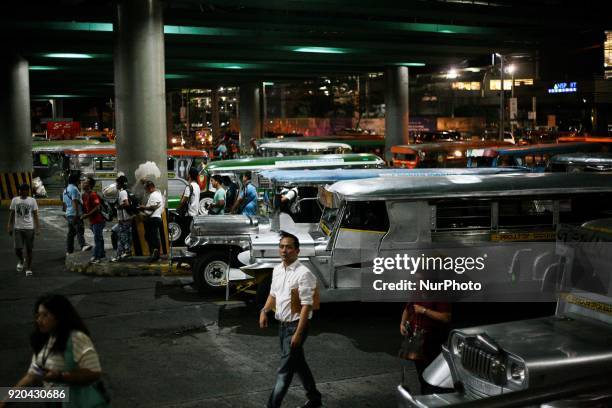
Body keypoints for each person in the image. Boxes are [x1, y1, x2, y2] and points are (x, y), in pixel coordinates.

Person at [2, 294, 107, 408]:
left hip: (77, 402)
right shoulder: (45, 339)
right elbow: (32, 375)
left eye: (45, 315)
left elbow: (95, 373)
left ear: (60, 316)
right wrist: (5, 400)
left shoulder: (76, 338)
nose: (39, 320)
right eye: (38, 315)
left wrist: (60, 376)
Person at [259, 232, 322, 408]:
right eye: (281, 247)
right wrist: (264, 310)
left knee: (284, 371)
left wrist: (298, 334)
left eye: (288, 247)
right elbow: (273, 295)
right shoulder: (277, 270)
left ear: (297, 251)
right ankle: (314, 398)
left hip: (295, 327)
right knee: (298, 364)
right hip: (282, 326)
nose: (284, 250)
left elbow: (306, 306)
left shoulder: (304, 274)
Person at [399, 302, 451, 394]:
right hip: (417, 340)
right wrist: (402, 324)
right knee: (421, 373)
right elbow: (407, 309)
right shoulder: (417, 292)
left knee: (434, 375)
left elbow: (445, 317)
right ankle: (424, 395)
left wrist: (424, 311)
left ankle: (433, 398)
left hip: (433, 341)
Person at [7, 184, 40, 276]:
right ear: (19, 191)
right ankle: (21, 260)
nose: (23, 192)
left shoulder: (32, 200)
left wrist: (38, 228)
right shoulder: (15, 200)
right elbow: (12, 214)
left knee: (29, 250)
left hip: (29, 228)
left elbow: (35, 215)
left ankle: (28, 268)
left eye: (25, 190)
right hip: (18, 228)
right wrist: (9, 226)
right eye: (21, 190)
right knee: (17, 249)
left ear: (28, 191)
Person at [63, 173, 91, 256]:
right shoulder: (74, 189)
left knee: (71, 233)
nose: (80, 181)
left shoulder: (66, 190)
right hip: (75, 214)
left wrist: (66, 213)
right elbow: (74, 201)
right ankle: (83, 245)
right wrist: (76, 214)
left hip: (69, 213)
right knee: (79, 230)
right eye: (79, 179)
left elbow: (64, 204)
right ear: (75, 180)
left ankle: (69, 250)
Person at [81, 177, 106, 263]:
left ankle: (96, 257)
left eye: (85, 182)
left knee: (97, 239)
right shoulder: (84, 195)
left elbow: (97, 207)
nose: (83, 183)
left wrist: (87, 215)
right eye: (83, 182)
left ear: (90, 185)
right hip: (92, 221)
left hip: (98, 220)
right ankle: (102, 253)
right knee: (99, 237)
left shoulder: (93, 194)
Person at [139, 180, 164, 262]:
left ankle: (155, 256)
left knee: (153, 238)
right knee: (150, 237)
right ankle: (154, 255)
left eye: (146, 189)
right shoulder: (157, 193)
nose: (146, 191)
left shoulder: (154, 195)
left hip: (154, 218)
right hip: (154, 218)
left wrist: (143, 208)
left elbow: (153, 208)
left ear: (150, 188)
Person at [111, 175, 133, 262]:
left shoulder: (122, 192)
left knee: (121, 238)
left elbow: (126, 204)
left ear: (120, 184)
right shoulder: (127, 191)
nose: (116, 185)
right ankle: (121, 254)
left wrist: (118, 207)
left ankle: (125, 252)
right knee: (121, 237)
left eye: (117, 183)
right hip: (125, 220)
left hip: (125, 220)